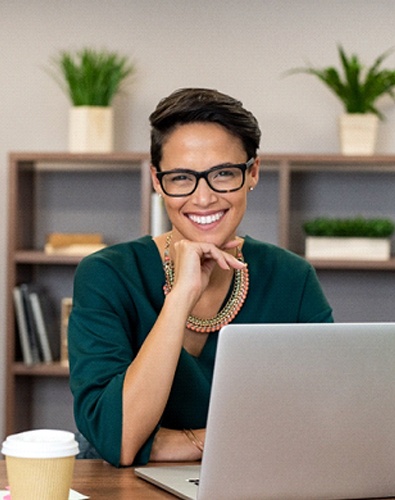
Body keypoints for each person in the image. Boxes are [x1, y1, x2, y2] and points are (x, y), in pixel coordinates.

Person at [68, 87, 333, 467]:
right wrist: (181, 296)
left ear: (252, 173)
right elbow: (121, 440)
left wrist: (172, 444)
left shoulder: (293, 277)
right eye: (181, 178)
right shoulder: (106, 274)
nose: (204, 197)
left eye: (223, 174)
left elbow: (322, 421)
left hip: (255, 477)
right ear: (158, 182)